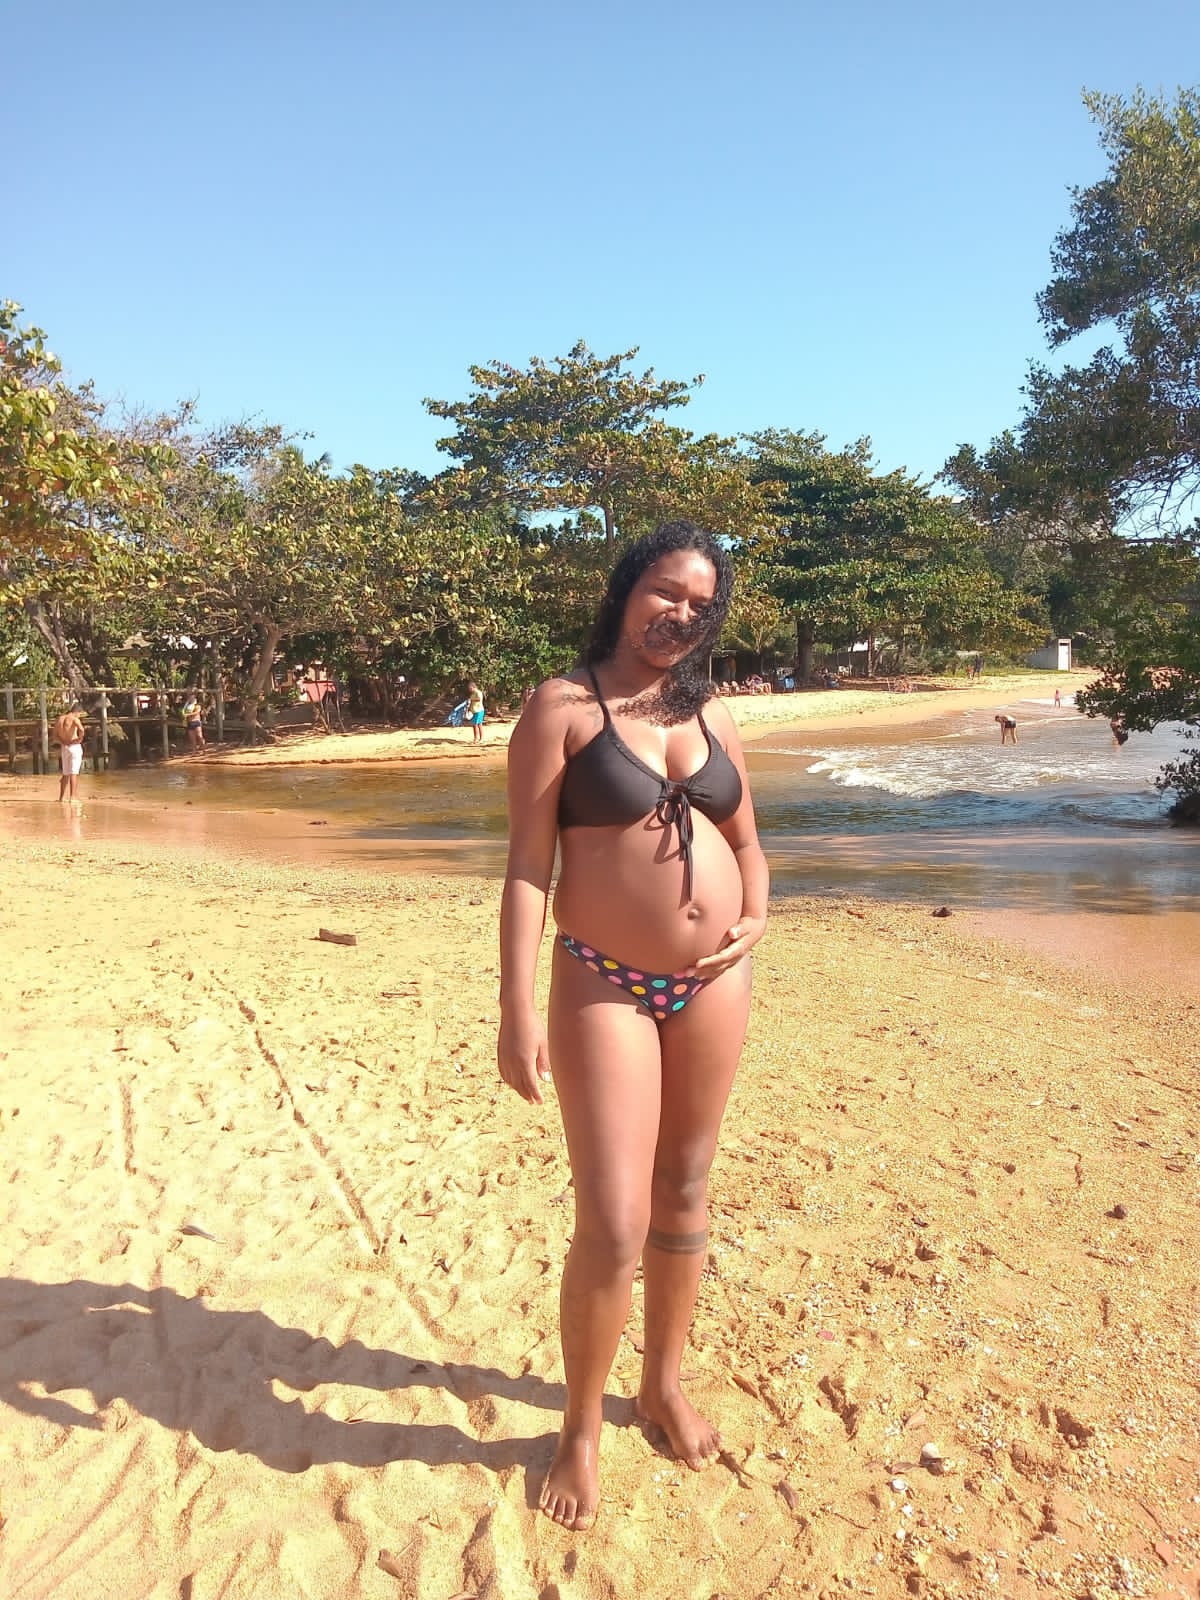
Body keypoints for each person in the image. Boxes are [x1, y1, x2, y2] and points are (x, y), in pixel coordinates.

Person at [498, 521, 768, 1531]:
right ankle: (579, 1426)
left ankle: (660, 1383)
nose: (679, 615)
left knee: (685, 1185)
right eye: (665, 591)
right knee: (613, 1221)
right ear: (626, 589)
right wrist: (515, 1006)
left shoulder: (715, 714)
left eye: (700, 605)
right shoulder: (563, 707)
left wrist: (756, 912)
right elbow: (529, 866)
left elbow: (747, 839)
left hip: (713, 983)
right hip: (602, 980)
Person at [52, 706, 86, 801]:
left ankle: (61, 797)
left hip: (64, 747)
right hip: (74, 746)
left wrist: (63, 742)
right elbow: (81, 730)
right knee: (74, 772)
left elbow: (54, 735)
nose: (79, 716)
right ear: (77, 712)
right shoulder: (74, 719)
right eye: (80, 714)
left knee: (65, 773)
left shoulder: (60, 719)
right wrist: (79, 739)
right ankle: (72, 797)